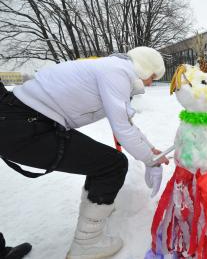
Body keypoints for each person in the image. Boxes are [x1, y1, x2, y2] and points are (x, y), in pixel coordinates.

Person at [0, 47, 170, 259]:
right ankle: (87, 242)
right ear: (144, 68)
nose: (151, 83)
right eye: (152, 77)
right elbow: (122, 128)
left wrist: (149, 151)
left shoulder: (111, 67)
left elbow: (126, 122)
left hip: (22, 118)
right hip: (26, 124)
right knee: (112, 164)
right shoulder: (117, 71)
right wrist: (149, 160)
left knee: (105, 162)